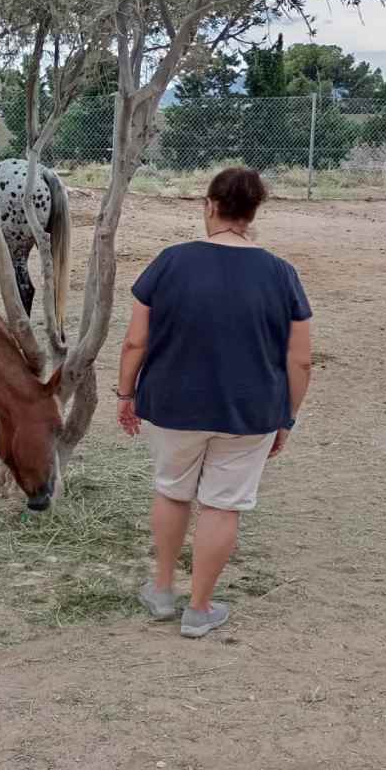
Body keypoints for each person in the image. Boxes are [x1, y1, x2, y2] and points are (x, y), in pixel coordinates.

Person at [116, 166, 312, 638]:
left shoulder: (169, 262)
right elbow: (301, 360)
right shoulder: (282, 274)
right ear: (253, 212)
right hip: (250, 412)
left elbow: (135, 342)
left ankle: (162, 590)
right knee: (222, 506)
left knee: (172, 490)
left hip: (171, 405)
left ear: (210, 205)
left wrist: (126, 393)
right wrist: (286, 417)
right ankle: (199, 610)